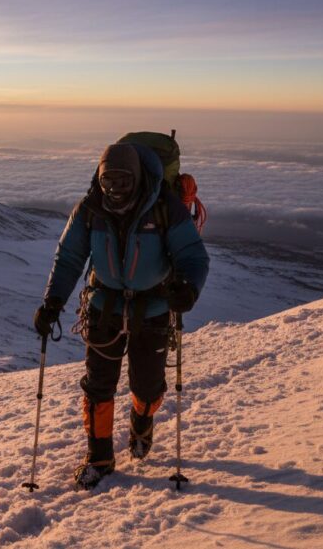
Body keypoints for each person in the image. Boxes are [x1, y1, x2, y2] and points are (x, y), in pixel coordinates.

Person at [33, 142, 209, 490]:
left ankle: (141, 422)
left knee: (147, 385)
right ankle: (99, 457)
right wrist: (52, 302)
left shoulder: (164, 207)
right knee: (98, 385)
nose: (114, 189)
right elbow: (68, 258)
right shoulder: (90, 209)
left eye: (123, 181)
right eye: (108, 181)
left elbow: (192, 254)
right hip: (104, 308)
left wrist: (188, 287)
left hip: (153, 308)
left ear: (138, 178)